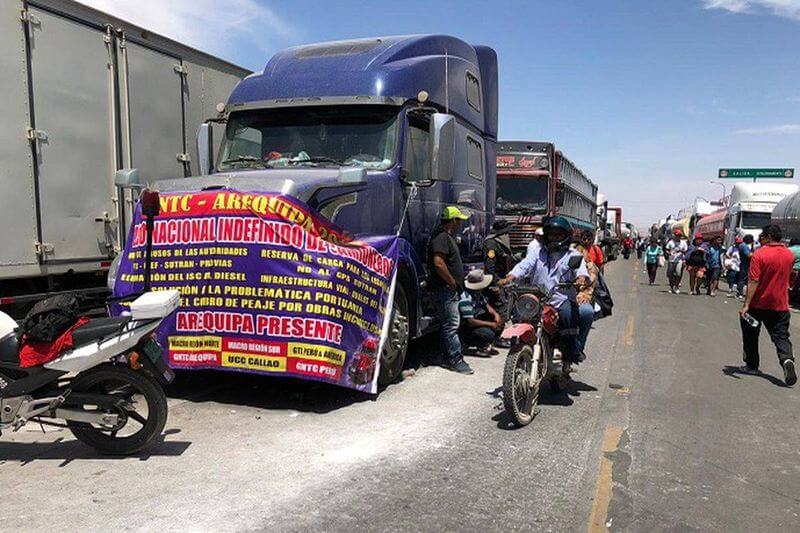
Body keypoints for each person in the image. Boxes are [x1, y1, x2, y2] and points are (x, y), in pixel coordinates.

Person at [499, 216, 590, 365]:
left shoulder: (573, 255)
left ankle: (570, 351)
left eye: (558, 235)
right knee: (518, 314)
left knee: (568, 315)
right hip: (538, 299)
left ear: (566, 236)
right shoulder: (538, 252)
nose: (554, 238)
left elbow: (581, 271)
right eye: (551, 235)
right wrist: (510, 277)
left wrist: (580, 278)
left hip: (561, 299)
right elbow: (525, 265)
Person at [738, 225, 797, 386]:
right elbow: (790, 275)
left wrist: (746, 304)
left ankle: (751, 365)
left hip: (758, 304)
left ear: (769, 237)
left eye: (762, 236)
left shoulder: (759, 254)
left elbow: (754, 280)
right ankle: (786, 359)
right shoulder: (788, 255)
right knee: (781, 336)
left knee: (750, 334)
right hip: (780, 305)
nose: (760, 239)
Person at [427, 206, 473, 374]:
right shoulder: (442, 238)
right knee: (452, 325)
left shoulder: (446, 237)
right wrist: (452, 281)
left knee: (448, 324)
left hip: (448, 289)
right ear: (453, 221)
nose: (460, 224)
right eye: (459, 220)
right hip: (445, 289)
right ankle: (455, 359)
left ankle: (446, 357)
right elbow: (439, 263)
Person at [458, 270, 503, 357]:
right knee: (488, 333)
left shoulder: (478, 294)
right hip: (465, 327)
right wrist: (491, 324)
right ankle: (476, 344)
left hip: (474, 321)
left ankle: (488, 342)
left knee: (499, 321)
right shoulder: (466, 298)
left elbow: (487, 306)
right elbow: (470, 321)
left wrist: (496, 315)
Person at [575, 235, 599, 351]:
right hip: (554, 297)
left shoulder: (585, 259)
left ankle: (578, 348)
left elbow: (592, 279)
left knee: (586, 312)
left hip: (579, 297)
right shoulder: (550, 255)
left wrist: (583, 295)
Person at [737, 234, 755, 299]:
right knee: (743, 279)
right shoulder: (743, 245)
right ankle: (740, 292)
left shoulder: (745, 246)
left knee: (745, 279)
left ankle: (741, 291)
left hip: (746, 264)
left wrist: (752, 247)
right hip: (745, 265)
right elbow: (748, 255)